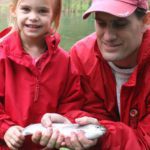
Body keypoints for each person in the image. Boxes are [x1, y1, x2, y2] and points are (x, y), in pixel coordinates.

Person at [38, 0, 150, 149]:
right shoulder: (81, 56)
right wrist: (71, 123)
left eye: (120, 24)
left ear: (145, 21)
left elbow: (145, 142)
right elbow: (80, 110)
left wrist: (103, 135)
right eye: (101, 23)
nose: (108, 37)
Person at [0, 0, 94, 149]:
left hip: (48, 145)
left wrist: (68, 122)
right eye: (26, 9)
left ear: (54, 16)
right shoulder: (2, 55)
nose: (33, 17)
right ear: (13, 11)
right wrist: (5, 128)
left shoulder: (65, 61)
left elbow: (71, 103)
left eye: (42, 11)